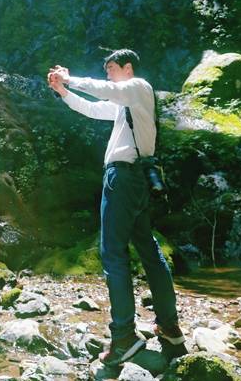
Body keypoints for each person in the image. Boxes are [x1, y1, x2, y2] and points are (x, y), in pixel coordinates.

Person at [47, 49, 187, 367]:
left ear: (128, 68)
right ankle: (169, 328)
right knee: (149, 251)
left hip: (122, 178)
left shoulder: (138, 87)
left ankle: (124, 336)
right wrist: (63, 92)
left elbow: (106, 90)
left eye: (112, 68)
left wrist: (69, 77)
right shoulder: (129, 107)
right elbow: (95, 109)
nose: (109, 74)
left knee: (113, 254)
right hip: (136, 180)